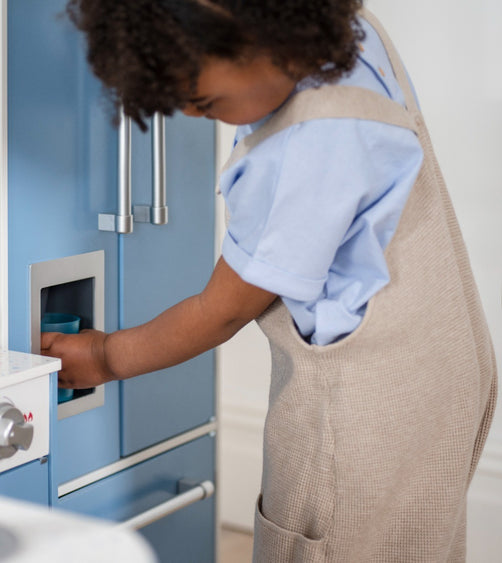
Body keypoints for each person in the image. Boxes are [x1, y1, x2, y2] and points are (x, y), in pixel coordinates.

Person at [41, 1, 498, 561]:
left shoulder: (303, 148)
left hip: (363, 412)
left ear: (255, 31)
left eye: (205, 101)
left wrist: (106, 355)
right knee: (413, 540)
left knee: (329, 542)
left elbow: (221, 311)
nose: (192, 114)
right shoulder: (352, 34)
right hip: (444, 361)